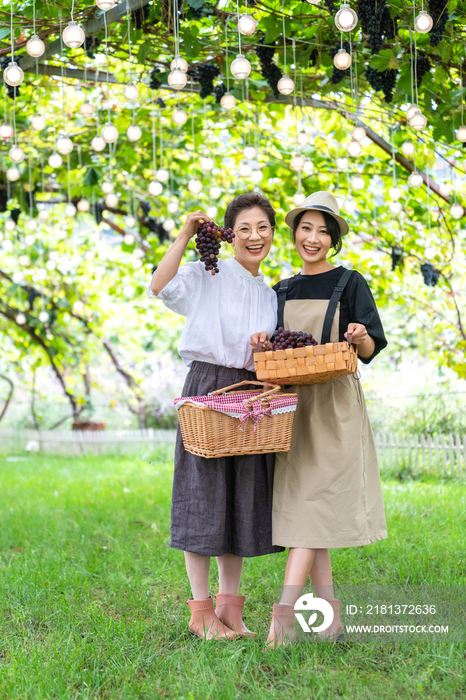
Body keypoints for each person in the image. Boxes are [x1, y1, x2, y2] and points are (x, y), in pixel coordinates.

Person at [251, 191, 388, 647]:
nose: (314, 238)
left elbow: (369, 350)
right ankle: (330, 621)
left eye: (323, 231)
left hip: (334, 410)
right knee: (313, 512)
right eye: (306, 229)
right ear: (294, 234)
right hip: (292, 408)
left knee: (312, 508)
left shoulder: (350, 284)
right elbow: (271, 349)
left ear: (334, 239)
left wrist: (359, 335)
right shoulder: (281, 290)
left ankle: (285, 614)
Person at [148, 192, 284, 640]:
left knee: (241, 498)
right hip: (207, 386)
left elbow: (264, 351)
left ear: (271, 234)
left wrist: (265, 362)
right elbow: (159, 286)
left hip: (248, 394)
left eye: (262, 227)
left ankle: (230, 610)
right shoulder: (209, 272)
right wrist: (186, 234)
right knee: (202, 493)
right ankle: (200, 611)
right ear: (228, 235)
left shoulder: (270, 293)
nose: (254, 236)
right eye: (244, 228)